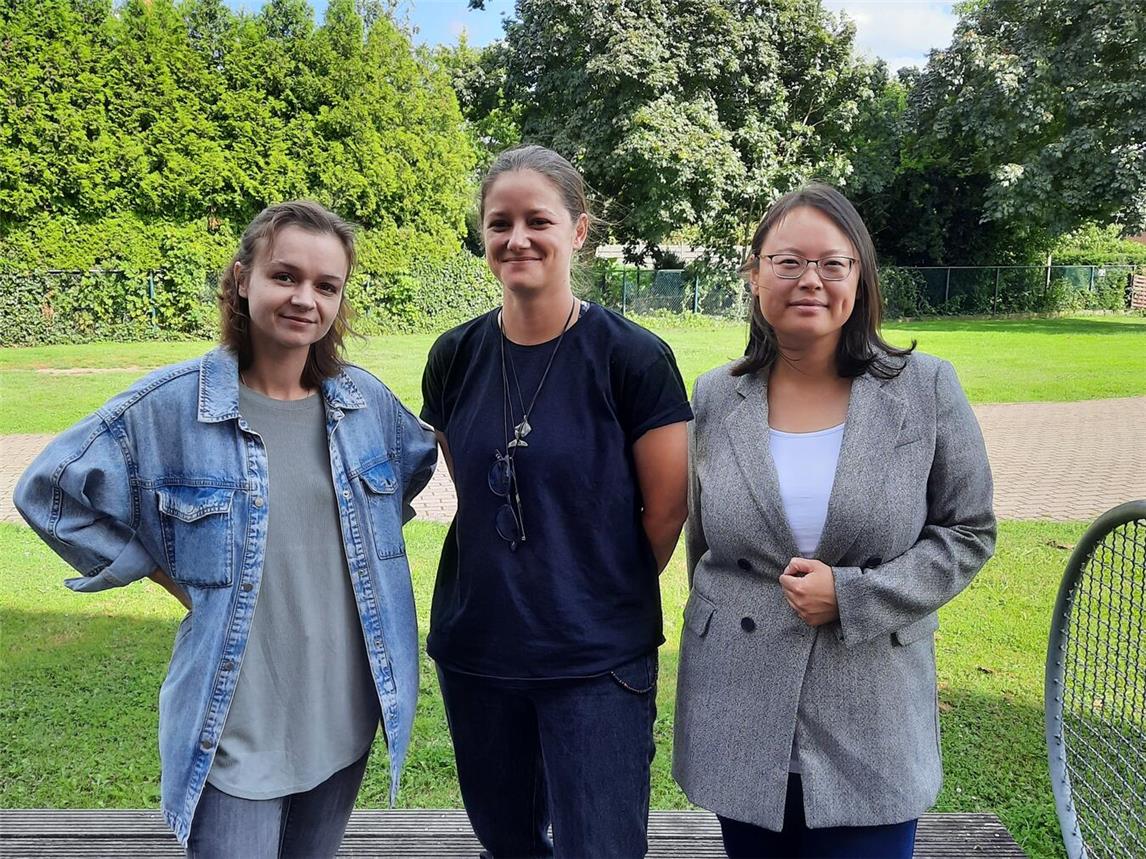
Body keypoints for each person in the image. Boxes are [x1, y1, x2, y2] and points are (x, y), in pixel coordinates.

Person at [14, 201, 437, 857]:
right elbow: (48, 489)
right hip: (236, 724)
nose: (305, 298)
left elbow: (410, 471)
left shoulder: (367, 404)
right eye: (285, 276)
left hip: (345, 714)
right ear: (243, 278)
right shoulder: (172, 406)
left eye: (327, 285)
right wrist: (164, 571)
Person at [672, 184, 996, 858]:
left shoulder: (925, 389)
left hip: (870, 710)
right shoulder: (713, 395)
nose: (809, 280)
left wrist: (853, 595)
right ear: (755, 273)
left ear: (861, 277)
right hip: (737, 707)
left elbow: (969, 531)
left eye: (833, 263)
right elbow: (705, 548)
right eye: (788, 261)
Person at [420, 145, 692, 858]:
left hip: (595, 659)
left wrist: (592, 586)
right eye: (498, 222)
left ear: (578, 231)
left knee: (600, 847)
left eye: (537, 219)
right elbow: (475, 481)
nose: (517, 238)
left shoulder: (632, 358)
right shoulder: (455, 355)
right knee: (508, 845)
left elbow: (666, 510)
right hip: (478, 649)